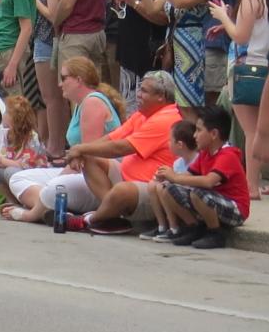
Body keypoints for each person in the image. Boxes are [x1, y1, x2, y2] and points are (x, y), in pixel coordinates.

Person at [3, 58, 125, 223]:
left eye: (64, 78)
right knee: (18, 178)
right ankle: (55, 209)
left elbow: (89, 157)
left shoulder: (93, 103)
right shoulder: (82, 103)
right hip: (81, 171)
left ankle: (35, 212)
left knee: (53, 188)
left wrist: (58, 177)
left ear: (78, 80)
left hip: (99, 179)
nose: (60, 84)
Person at [62, 70, 182, 234]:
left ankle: (89, 220)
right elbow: (112, 138)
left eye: (144, 91)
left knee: (121, 190)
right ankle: (112, 217)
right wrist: (81, 152)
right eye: (139, 90)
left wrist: (79, 148)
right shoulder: (142, 114)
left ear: (161, 96)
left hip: (154, 189)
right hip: (128, 179)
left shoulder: (166, 117)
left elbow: (121, 147)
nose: (138, 95)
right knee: (90, 158)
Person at [207, 0, 269, 198]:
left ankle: (250, 186)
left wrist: (223, 16)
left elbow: (240, 35)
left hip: (248, 68)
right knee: (267, 128)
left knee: (252, 131)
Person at [152, 105, 249, 247]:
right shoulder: (204, 154)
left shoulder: (228, 155)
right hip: (212, 203)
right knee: (168, 188)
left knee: (197, 192)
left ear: (214, 134)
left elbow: (208, 182)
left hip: (235, 209)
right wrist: (167, 177)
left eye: (198, 130)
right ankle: (194, 228)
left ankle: (215, 233)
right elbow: (187, 176)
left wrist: (175, 177)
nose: (194, 135)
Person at [137, 0, 213, 117]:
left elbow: (179, 2)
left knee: (188, 102)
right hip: (173, 42)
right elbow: (152, 8)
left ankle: (193, 140)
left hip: (191, 48)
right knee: (173, 103)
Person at [111, 0, 169, 109]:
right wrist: (117, 0)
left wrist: (133, 1)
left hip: (147, 47)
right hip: (128, 44)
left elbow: (161, 18)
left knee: (143, 100)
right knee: (127, 99)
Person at [30, 0, 69, 156]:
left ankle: (55, 146)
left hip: (46, 40)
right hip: (53, 41)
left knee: (51, 97)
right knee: (58, 98)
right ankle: (58, 143)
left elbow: (53, 15)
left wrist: (35, 0)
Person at [137, 120, 200, 239]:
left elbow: (189, 181)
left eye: (170, 140)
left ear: (180, 145)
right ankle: (162, 226)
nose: (168, 143)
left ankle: (174, 227)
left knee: (162, 187)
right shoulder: (178, 163)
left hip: (192, 198)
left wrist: (170, 179)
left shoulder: (197, 160)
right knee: (152, 184)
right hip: (179, 193)